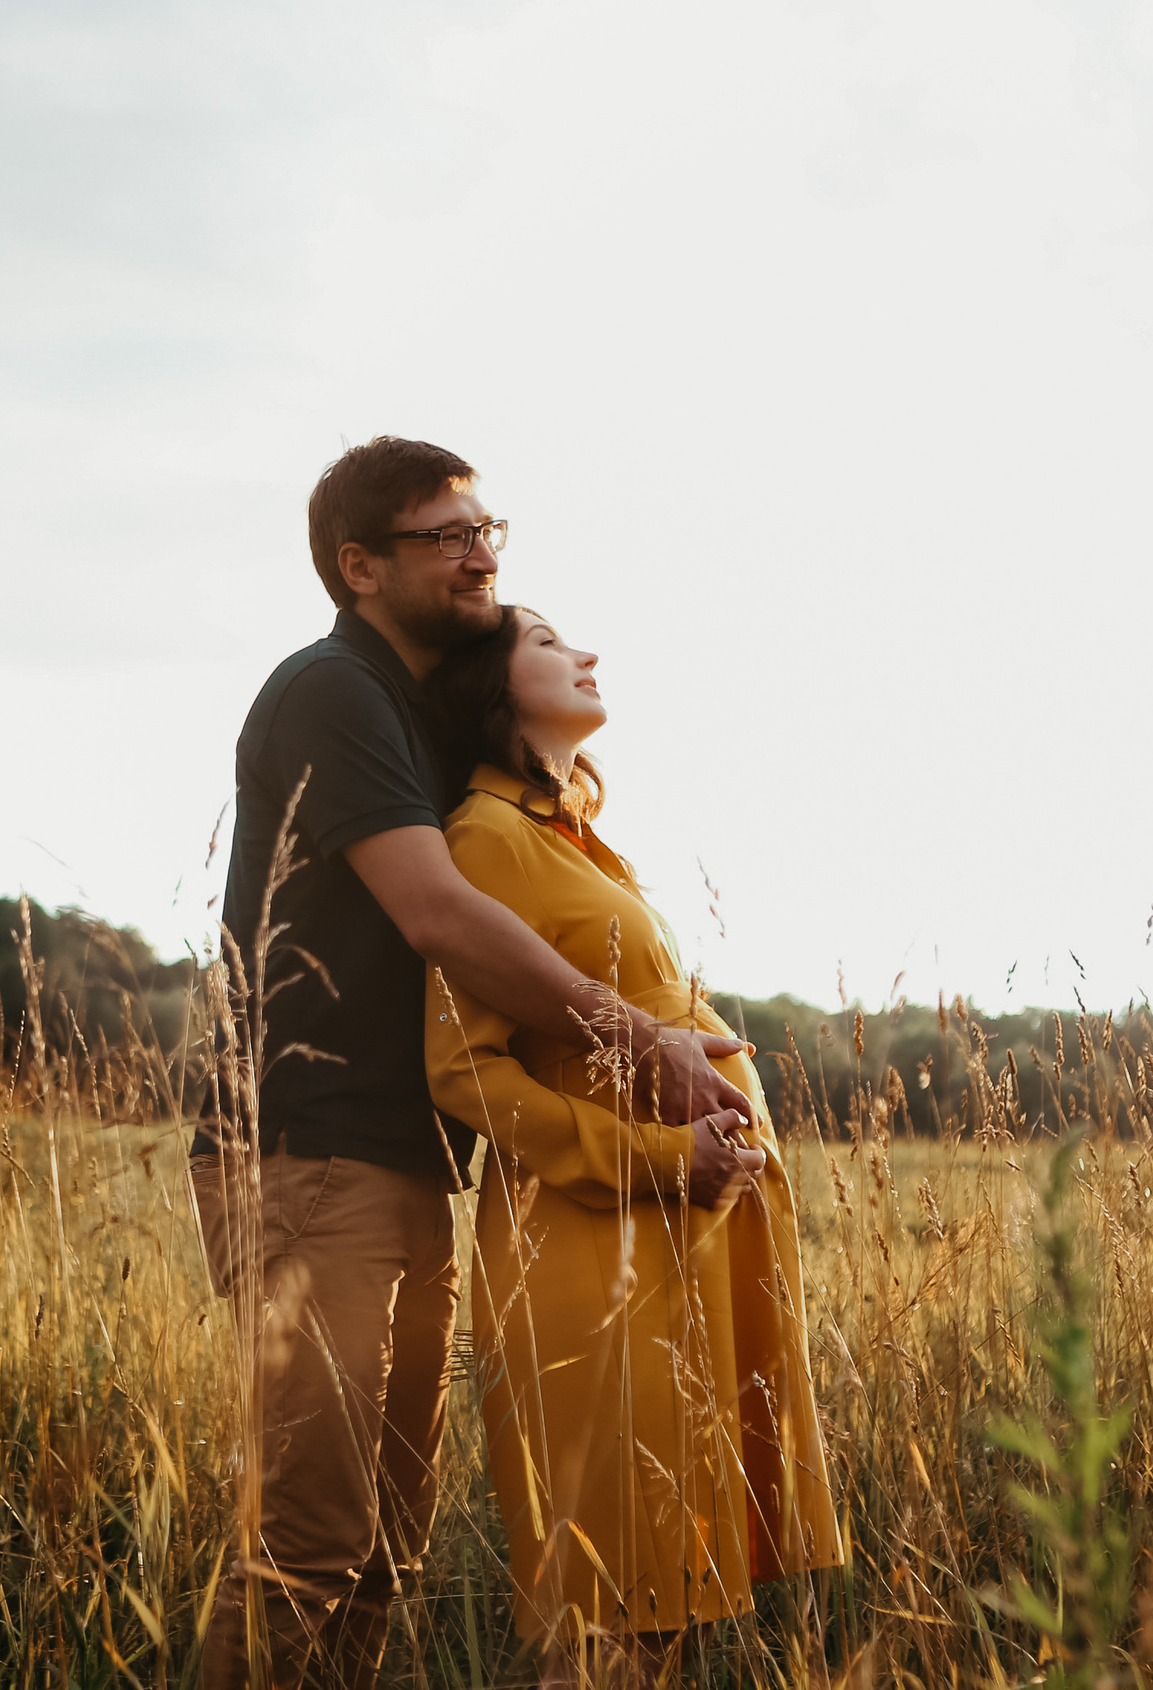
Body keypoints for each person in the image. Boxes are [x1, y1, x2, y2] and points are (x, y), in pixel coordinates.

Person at [190, 439, 758, 1690]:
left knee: (383, 1551)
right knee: (307, 1542)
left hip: (405, 1169)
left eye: (487, 525)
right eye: (444, 534)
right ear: (359, 568)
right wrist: (641, 1037)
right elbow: (437, 913)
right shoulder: (330, 691)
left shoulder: (418, 720)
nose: (481, 549)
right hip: (307, 1155)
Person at [423, 606, 845, 1688]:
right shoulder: (484, 836)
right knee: (622, 1613)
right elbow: (463, 1071)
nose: (588, 654)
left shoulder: (566, 833)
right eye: (553, 643)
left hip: (682, 1238)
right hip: (595, 1245)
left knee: (679, 1599)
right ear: (492, 684)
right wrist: (662, 1159)